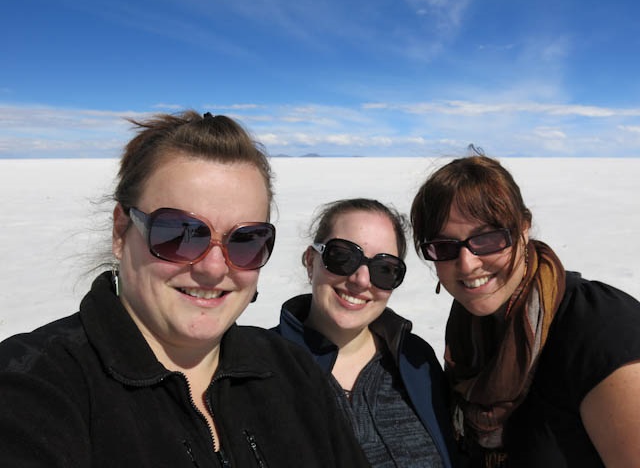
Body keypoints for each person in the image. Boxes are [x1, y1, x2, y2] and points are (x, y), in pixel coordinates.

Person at [0, 111, 371, 467]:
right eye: (178, 234)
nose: (213, 267)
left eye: (246, 241)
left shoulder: (291, 371)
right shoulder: (35, 386)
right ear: (120, 232)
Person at [410, 151, 640, 467]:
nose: (467, 263)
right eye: (444, 247)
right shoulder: (470, 333)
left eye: (488, 239)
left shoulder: (602, 331)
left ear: (523, 229)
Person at [274, 198, 459, 468]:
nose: (361, 280)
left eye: (384, 270)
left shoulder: (415, 363)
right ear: (311, 260)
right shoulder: (264, 366)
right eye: (342, 257)